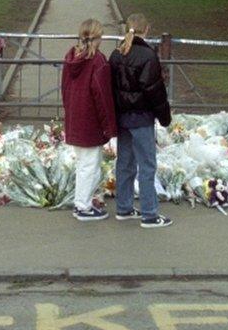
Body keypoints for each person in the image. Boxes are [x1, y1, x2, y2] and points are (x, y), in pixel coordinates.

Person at [109, 13, 173, 228]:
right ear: (147, 30)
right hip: (142, 117)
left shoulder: (117, 54)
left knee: (125, 163)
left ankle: (124, 207)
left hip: (122, 117)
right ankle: (149, 213)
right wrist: (165, 117)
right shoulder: (148, 56)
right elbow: (155, 90)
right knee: (147, 165)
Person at [61, 19, 117, 221]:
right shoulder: (98, 61)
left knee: (83, 165)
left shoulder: (71, 58)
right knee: (90, 166)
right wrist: (109, 127)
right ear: (98, 38)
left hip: (75, 117)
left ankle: (81, 202)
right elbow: (102, 97)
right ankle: (82, 206)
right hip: (90, 120)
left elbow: (64, 89)